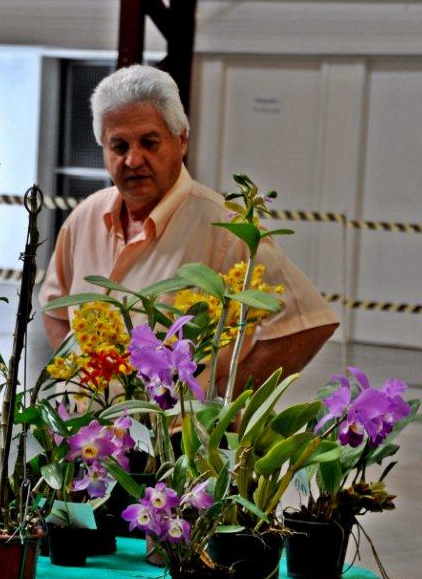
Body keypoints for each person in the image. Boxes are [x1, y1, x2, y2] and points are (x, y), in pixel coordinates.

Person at [39, 65, 338, 394]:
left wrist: (223, 397)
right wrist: (81, 380)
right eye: (119, 146)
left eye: (149, 143)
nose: (133, 160)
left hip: (175, 425)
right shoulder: (85, 217)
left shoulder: (227, 228)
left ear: (181, 140)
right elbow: (55, 307)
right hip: (88, 423)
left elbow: (308, 325)